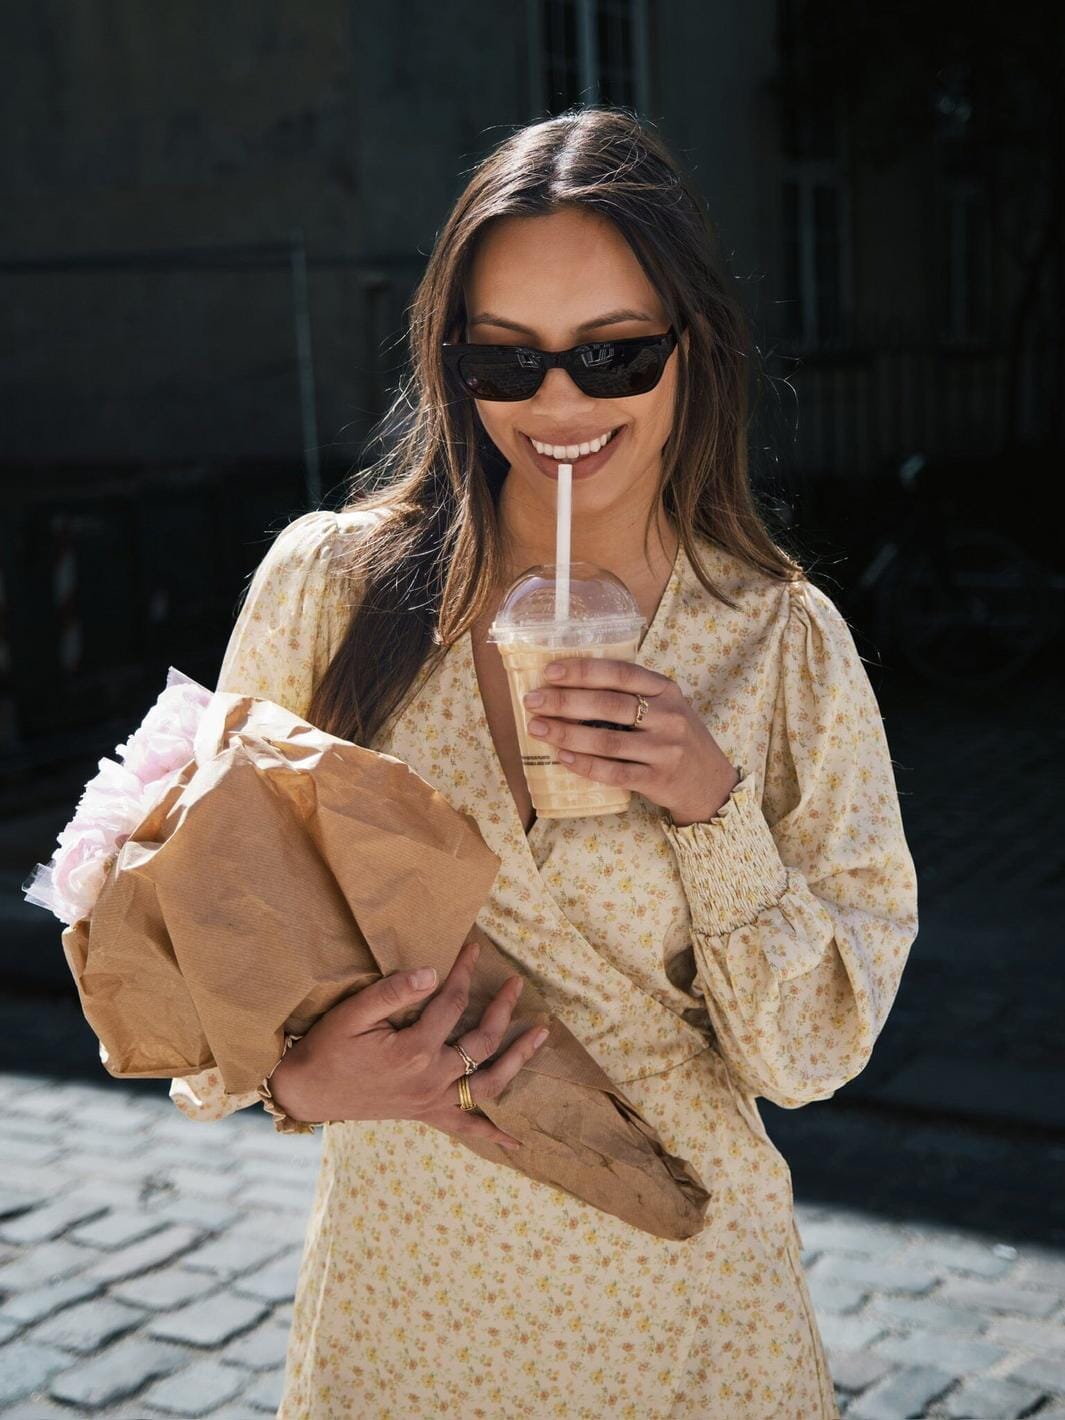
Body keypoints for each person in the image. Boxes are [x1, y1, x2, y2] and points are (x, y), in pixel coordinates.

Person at [170, 108, 918, 1419]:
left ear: (694, 347)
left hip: (691, 1323)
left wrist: (710, 805)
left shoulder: (780, 644)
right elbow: (185, 933)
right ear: (451, 363)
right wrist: (297, 1077)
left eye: (613, 354)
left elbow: (810, 1056)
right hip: (409, 1318)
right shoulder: (329, 593)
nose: (558, 405)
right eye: (504, 361)